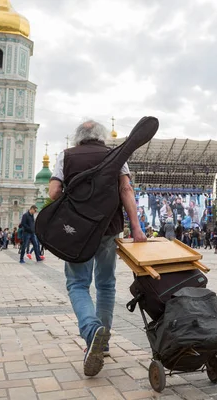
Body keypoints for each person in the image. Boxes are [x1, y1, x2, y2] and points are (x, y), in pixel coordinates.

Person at [48, 119, 145, 377]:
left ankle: (92, 333)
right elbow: (126, 189)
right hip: (109, 228)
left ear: (77, 137)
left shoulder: (65, 156)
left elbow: (54, 192)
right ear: (102, 137)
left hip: (77, 231)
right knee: (106, 285)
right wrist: (136, 228)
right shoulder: (116, 155)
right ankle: (103, 343)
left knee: (78, 284)